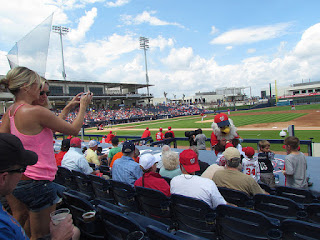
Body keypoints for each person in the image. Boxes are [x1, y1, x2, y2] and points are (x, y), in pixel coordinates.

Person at [0, 66, 92, 240]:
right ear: (27, 87)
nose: (40, 91)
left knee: (21, 223)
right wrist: (83, 107)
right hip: (38, 182)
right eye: (37, 86)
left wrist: (66, 109)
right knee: (42, 235)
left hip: (18, 178)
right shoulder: (36, 111)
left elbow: (42, 129)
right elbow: (73, 129)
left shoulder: (11, 111)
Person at [0, 133, 76, 240]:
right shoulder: (2, 230)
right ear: (4, 178)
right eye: (22, 169)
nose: (24, 175)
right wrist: (57, 238)